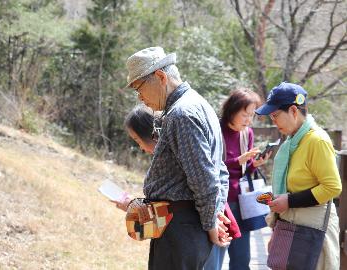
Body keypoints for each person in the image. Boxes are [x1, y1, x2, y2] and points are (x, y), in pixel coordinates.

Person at [124, 47, 230, 270]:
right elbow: (220, 171)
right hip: (187, 228)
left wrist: (211, 224)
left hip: (182, 230)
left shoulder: (181, 114)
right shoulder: (199, 104)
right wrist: (215, 215)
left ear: (160, 77)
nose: (140, 98)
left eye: (139, 88)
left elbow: (205, 180)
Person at [255, 82, 342, 270]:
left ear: (293, 110)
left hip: (313, 232)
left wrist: (290, 201)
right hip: (290, 229)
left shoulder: (317, 140)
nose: (273, 121)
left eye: (276, 115)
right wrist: (275, 231)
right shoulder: (292, 142)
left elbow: (332, 187)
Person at [205, 88, 271, 270]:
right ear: (231, 110)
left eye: (251, 115)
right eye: (244, 115)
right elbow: (208, 167)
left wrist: (254, 164)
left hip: (242, 202)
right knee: (215, 257)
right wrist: (238, 160)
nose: (249, 120)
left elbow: (243, 170)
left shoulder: (247, 133)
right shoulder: (215, 129)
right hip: (220, 202)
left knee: (242, 258)